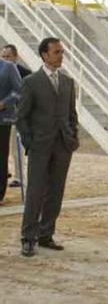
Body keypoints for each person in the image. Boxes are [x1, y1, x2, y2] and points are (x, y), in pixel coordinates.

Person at [18, 37, 79, 257]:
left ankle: (46, 234)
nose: (61, 55)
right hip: (39, 146)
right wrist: (30, 142)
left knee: (55, 191)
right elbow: (21, 117)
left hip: (62, 146)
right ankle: (28, 237)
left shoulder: (68, 82)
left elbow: (72, 115)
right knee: (35, 192)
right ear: (45, 55)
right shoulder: (31, 82)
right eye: (57, 52)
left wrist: (73, 137)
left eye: (62, 52)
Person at [1, 44, 29, 189]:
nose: (6, 58)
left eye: (8, 56)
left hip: (15, 115)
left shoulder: (22, 71)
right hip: (8, 115)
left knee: (15, 148)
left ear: (15, 56)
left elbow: (23, 91)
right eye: (3, 56)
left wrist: (5, 103)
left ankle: (18, 177)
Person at [0, 58, 22, 204]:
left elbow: (20, 90)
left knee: (1, 156)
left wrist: (4, 103)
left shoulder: (8, 67)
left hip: (2, 119)